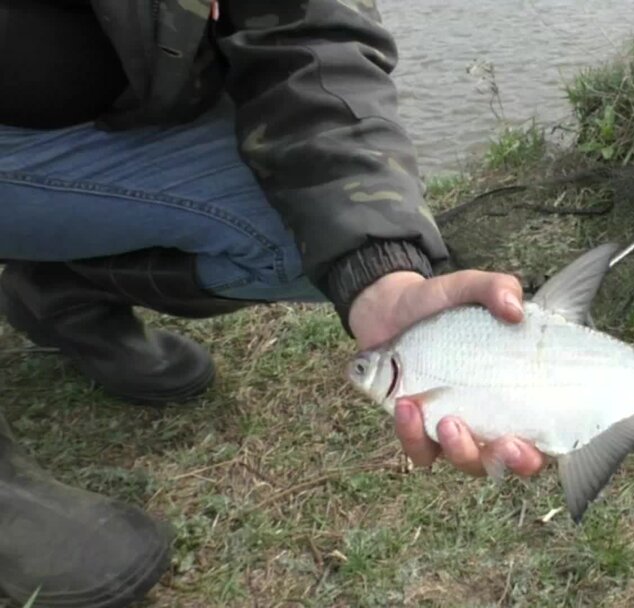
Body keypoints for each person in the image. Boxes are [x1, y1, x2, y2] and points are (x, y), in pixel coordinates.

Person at [0, 1, 546, 606]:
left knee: (321, 230)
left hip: (89, 123)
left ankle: (57, 282)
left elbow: (309, 31)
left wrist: (379, 271)